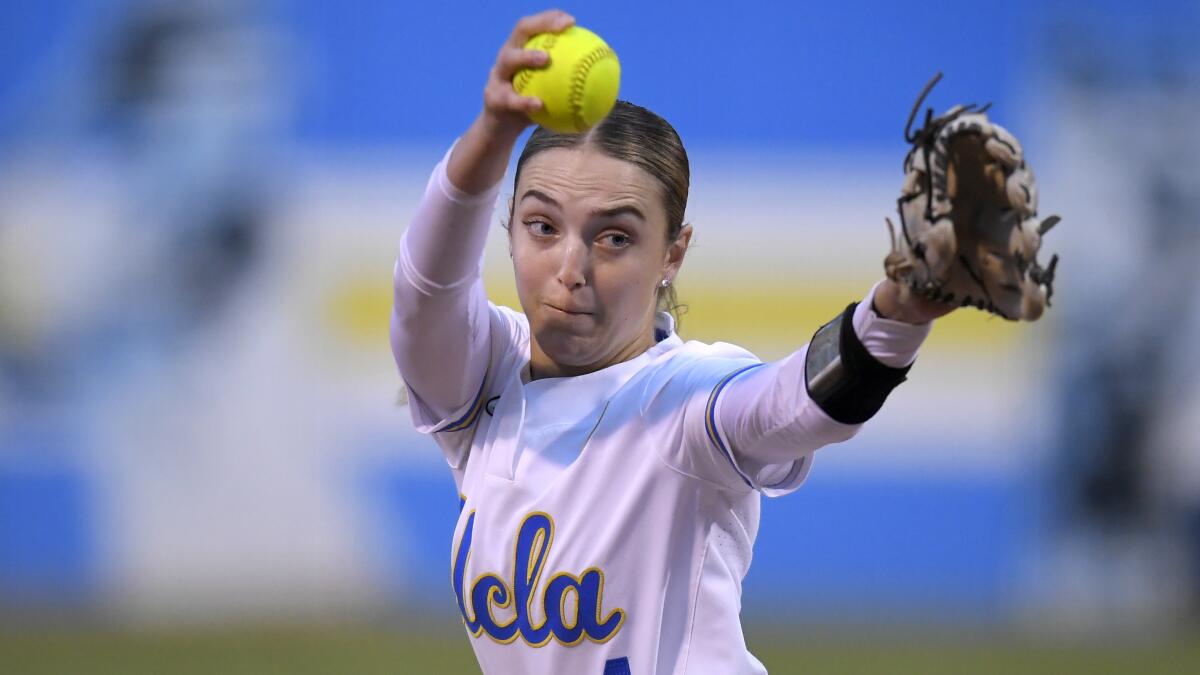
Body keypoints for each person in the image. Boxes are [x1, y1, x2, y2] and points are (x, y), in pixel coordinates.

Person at [390, 10, 953, 674]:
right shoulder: (485, 378)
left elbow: (800, 401)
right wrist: (492, 133)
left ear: (672, 253)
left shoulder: (687, 396)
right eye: (543, 226)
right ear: (509, 224)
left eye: (615, 236)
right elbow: (425, 293)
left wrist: (898, 309)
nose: (570, 267)